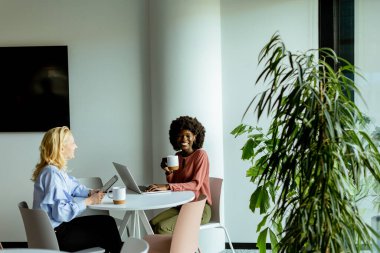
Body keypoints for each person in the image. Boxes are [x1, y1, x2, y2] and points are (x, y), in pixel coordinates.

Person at [31, 126, 122, 253]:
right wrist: (89, 201)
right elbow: (61, 213)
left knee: (107, 223)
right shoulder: (52, 174)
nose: (76, 146)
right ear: (61, 147)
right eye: (73, 143)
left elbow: (73, 187)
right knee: (107, 229)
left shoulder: (54, 170)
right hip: (56, 237)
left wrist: (89, 192)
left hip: (55, 231)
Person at [147, 116, 212, 234]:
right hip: (182, 205)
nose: (184, 139)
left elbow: (195, 185)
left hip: (199, 208)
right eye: (180, 135)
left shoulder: (200, 155)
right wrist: (169, 172)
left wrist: (166, 187)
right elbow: (176, 184)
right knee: (151, 225)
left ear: (195, 137)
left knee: (162, 228)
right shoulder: (177, 156)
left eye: (188, 135)